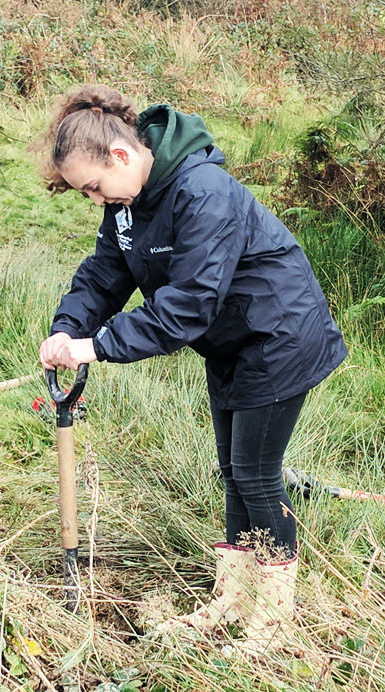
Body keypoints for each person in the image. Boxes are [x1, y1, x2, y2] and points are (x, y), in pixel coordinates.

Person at [36, 85, 346, 650]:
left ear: (121, 157)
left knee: (256, 474)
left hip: (278, 335)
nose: (96, 199)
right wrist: (68, 327)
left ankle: (273, 622)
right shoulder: (128, 206)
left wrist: (99, 346)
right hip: (230, 342)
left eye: (94, 187)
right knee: (232, 471)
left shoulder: (203, 193)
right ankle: (232, 599)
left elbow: (189, 306)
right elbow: (106, 273)